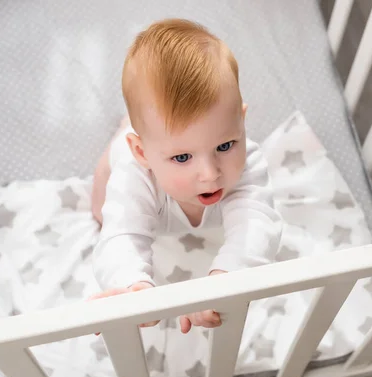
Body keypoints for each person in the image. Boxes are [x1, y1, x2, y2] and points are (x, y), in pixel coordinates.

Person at [89, 18, 282, 334]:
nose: (210, 174)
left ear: (242, 120)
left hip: (153, 147)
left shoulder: (248, 161)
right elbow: (121, 235)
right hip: (124, 163)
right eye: (182, 157)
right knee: (100, 212)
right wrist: (133, 285)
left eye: (225, 144)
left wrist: (226, 278)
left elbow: (257, 222)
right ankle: (128, 127)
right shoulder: (133, 170)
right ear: (143, 153)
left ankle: (151, 132)